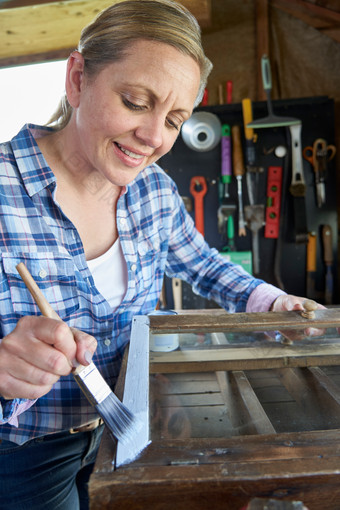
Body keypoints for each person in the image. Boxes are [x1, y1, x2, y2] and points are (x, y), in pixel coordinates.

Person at [0, 1, 323, 508]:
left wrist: (271, 301)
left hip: (134, 434)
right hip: (25, 459)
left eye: (174, 120)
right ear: (79, 77)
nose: (153, 139)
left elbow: (204, 264)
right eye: (134, 101)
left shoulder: (152, 190)